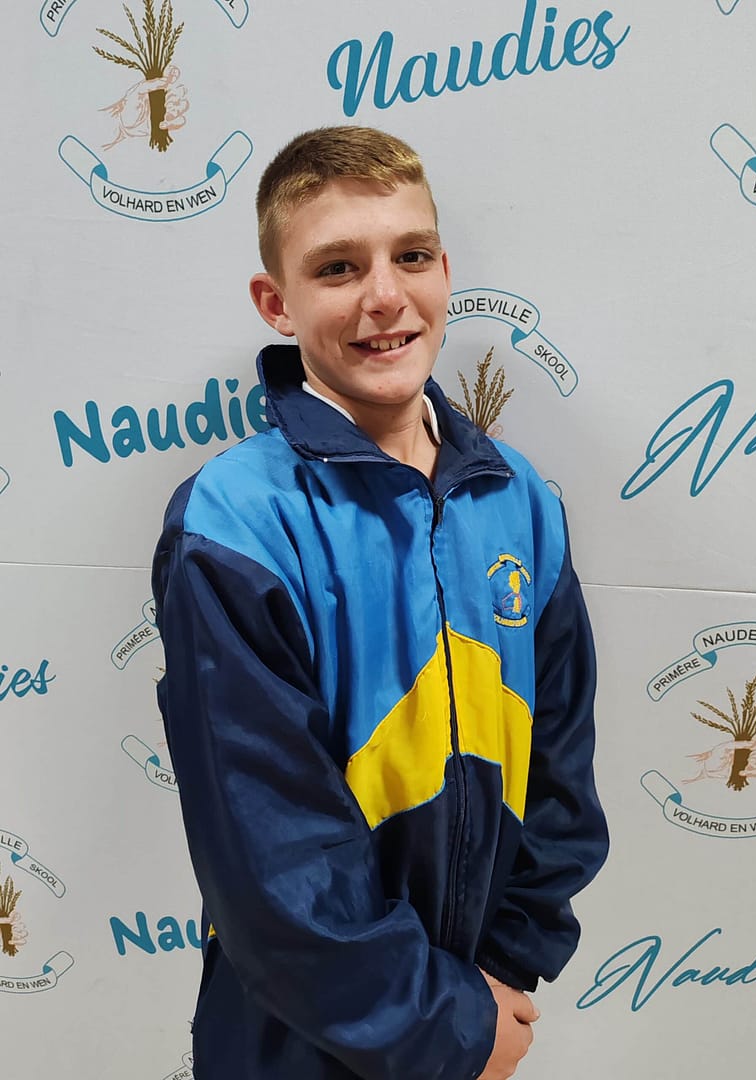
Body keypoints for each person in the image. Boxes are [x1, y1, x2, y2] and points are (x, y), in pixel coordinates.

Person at [152, 126, 608, 1080]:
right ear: (276, 302)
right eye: (337, 267)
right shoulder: (235, 522)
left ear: (445, 270)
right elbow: (270, 858)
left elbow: (561, 774)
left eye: (411, 256)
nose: (385, 297)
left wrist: (499, 976)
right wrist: (447, 1027)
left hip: (476, 1005)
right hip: (295, 1039)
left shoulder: (521, 499)